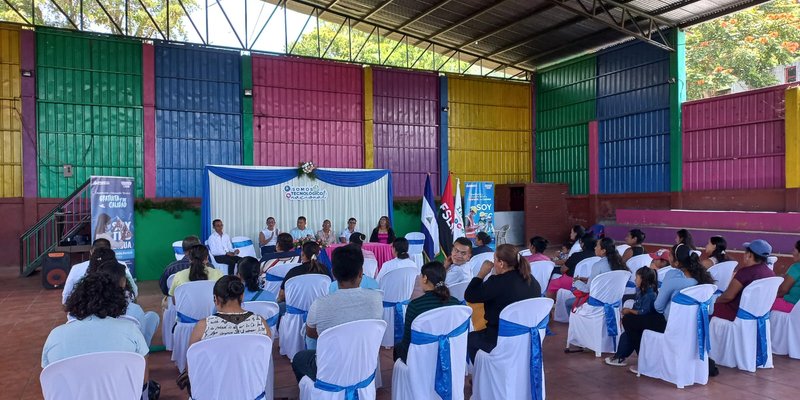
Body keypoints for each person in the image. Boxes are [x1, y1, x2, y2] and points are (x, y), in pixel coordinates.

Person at [291, 244, 383, 382]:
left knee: (299, 358)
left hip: (330, 366)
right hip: (363, 363)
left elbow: (311, 334)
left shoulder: (320, 303)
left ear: (333, 272)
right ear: (361, 273)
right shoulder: (376, 299)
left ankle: (316, 390)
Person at [42, 273, 149, 378]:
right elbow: (142, 379)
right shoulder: (130, 330)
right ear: (117, 301)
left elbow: (48, 379)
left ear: (76, 300)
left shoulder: (55, 336)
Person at [464, 244, 541, 361]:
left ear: (501, 263)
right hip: (526, 336)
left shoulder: (496, 282)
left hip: (499, 338)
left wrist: (481, 274)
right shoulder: (530, 279)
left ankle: (483, 374)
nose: (493, 263)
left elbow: (470, 295)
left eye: (494, 259)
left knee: (471, 338)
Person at [393, 261, 461, 362]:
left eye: (420, 276)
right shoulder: (456, 303)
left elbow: (407, 341)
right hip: (448, 351)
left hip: (421, 355)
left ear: (425, 278)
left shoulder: (415, 305)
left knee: (398, 348)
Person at [189, 275, 271, 345]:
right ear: (242, 297)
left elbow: (192, 358)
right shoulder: (260, 322)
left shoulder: (203, 326)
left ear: (215, 299)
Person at [605, 267, 659, 367]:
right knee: (627, 334)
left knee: (628, 330)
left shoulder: (650, 295)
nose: (635, 280)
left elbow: (644, 312)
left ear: (643, 280)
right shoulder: (640, 292)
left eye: (637, 278)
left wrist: (628, 311)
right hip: (640, 321)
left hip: (648, 323)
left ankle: (622, 357)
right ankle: (620, 356)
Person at [713, 239, 775, 321]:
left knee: (706, 308)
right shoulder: (771, 273)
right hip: (759, 314)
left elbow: (728, 297)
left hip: (737, 313)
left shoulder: (744, 273)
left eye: (745, 252)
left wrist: (715, 300)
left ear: (749, 255)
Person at [565, 237, 628, 317]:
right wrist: (589, 279)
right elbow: (608, 280)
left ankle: (576, 326)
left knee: (568, 303)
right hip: (615, 302)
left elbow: (587, 289)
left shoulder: (598, 265)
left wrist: (576, 281)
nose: (594, 248)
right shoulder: (620, 264)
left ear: (603, 251)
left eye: (597, 246)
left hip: (598, 303)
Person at [62, 239, 138, 304]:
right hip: (117, 311)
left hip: (84, 313)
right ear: (110, 251)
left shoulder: (76, 268)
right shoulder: (121, 266)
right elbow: (134, 293)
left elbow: (65, 299)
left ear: (91, 252)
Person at [773, 240, 800, 312]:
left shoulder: (796, 267)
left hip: (793, 305)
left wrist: (770, 297)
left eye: (794, 250)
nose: (792, 253)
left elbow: (783, 290)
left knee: (765, 303)